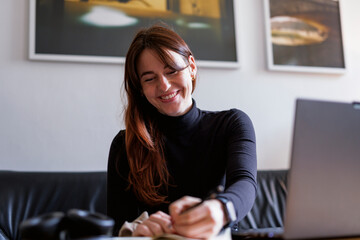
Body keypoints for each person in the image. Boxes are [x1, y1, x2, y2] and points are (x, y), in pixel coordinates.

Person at [107, 24, 257, 239]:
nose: (165, 86)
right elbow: (117, 226)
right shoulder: (125, 144)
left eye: (172, 71)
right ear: (140, 88)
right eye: (150, 78)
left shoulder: (232, 123)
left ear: (192, 67)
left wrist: (221, 209)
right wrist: (135, 232)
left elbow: (245, 183)